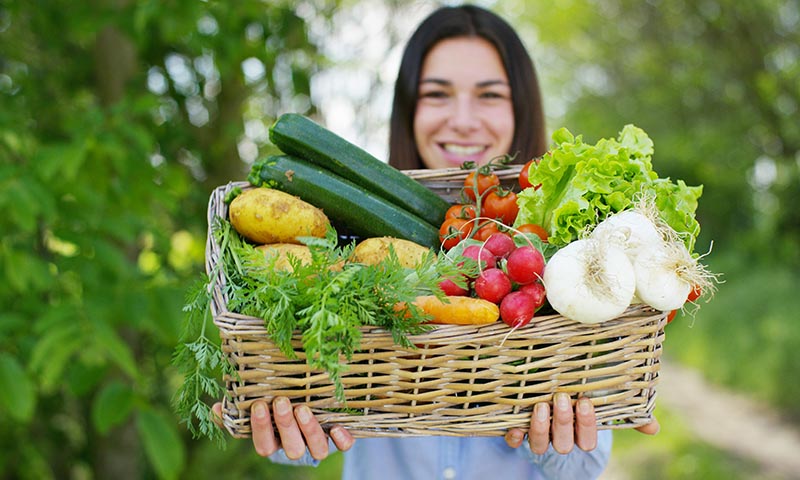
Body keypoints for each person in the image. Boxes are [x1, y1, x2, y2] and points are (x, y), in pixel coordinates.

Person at [213, 4, 660, 479]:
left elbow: (583, 469)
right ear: (409, 109)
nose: (463, 120)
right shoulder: (348, 237)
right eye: (437, 95)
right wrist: (292, 435)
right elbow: (304, 408)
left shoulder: (566, 258)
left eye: (489, 95)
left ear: (520, 109)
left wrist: (561, 444)